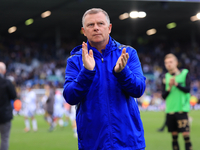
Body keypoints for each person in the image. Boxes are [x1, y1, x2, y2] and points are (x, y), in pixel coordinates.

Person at [63, 8, 146, 150]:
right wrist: (87, 72)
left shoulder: (128, 53)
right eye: (90, 25)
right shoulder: (76, 60)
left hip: (129, 142)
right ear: (84, 30)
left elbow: (139, 89)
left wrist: (122, 72)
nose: (96, 28)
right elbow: (70, 97)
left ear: (109, 28)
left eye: (100, 23)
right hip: (93, 143)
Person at [162, 53, 192, 150]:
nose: (168, 64)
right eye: (166, 63)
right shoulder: (165, 77)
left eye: (170, 62)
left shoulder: (184, 73)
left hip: (181, 109)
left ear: (176, 62)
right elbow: (163, 96)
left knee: (186, 136)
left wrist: (176, 84)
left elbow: (188, 89)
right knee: (174, 137)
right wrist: (169, 87)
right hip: (170, 110)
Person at [0, 62, 17, 150]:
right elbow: (14, 96)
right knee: (5, 139)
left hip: (5, 114)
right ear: (4, 71)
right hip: (4, 114)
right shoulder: (7, 82)